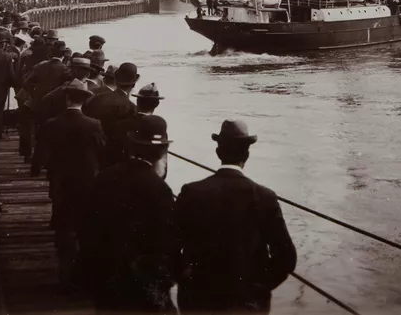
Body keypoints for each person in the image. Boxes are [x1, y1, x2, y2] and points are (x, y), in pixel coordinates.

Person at [174, 120, 297, 313]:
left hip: (198, 299)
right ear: (247, 155)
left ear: (218, 152)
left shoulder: (192, 192)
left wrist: (185, 278)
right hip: (246, 304)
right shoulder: (264, 197)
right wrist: (259, 287)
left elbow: (169, 244)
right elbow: (286, 257)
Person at [82, 115, 176, 312]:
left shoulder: (105, 177)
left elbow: (87, 223)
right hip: (142, 281)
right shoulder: (161, 190)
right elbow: (166, 240)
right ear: (162, 152)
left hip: (106, 272)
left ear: (132, 145)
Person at [31, 79, 105, 292]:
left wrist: (35, 169)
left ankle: (65, 270)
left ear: (66, 98)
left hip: (60, 181)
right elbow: (102, 150)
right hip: (86, 182)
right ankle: (83, 272)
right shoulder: (94, 124)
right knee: (84, 223)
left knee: (63, 221)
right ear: (85, 101)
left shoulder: (52, 124)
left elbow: (40, 152)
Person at [84, 62, 140, 168]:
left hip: (92, 154)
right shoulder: (131, 108)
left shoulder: (97, 98)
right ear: (133, 84)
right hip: (114, 160)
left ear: (116, 80)